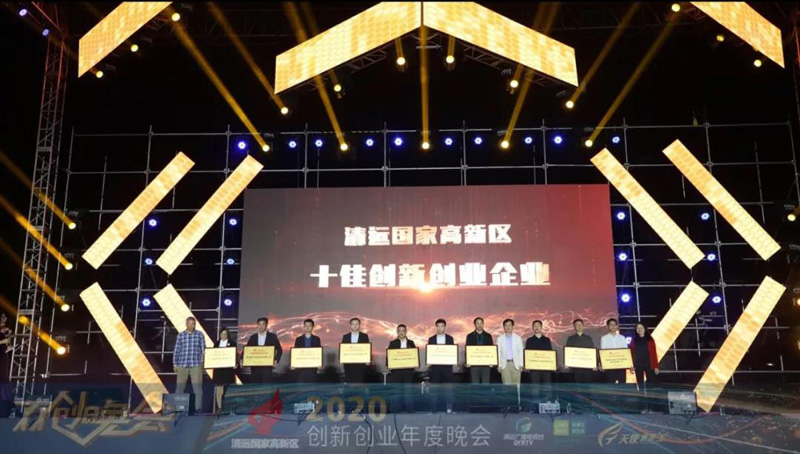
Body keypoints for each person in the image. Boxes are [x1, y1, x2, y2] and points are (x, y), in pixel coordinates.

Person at [173, 316, 205, 412]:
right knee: (180, 387)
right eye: (191, 324)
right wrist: (175, 363)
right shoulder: (181, 335)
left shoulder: (199, 334)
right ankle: (178, 408)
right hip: (182, 364)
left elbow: (203, 350)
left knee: (197, 387)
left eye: (194, 324)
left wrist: (202, 362)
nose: (193, 326)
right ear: (186, 324)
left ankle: (198, 408)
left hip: (196, 364)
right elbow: (177, 350)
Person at [427, 319, 454, 412]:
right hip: (435, 368)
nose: (440, 328)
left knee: (448, 389)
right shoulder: (431, 339)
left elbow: (452, 352)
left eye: (442, 326)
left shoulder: (450, 338)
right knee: (434, 389)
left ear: (445, 327)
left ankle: (449, 409)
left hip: (447, 368)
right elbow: (430, 352)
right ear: (436, 327)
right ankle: (433, 409)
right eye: (438, 326)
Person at [388, 324, 416, 412]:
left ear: (406, 332)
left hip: (408, 371)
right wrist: (389, 365)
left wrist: (415, 364)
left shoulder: (411, 343)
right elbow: (389, 356)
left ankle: (410, 410)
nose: (401, 332)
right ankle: (396, 410)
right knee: (396, 390)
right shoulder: (392, 343)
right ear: (397, 332)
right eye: (399, 330)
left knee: (408, 390)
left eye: (403, 330)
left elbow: (414, 356)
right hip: (396, 371)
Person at [246, 317, 283, 383]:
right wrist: (242, 359)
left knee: (267, 385)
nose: (261, 326)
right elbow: (247, 350)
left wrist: (276, 360)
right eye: (259, 324)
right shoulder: (253, 337)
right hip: (255, 367)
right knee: (255, 386)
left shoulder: (272, 337)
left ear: (266, 325)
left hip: (267, 367)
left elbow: (279, 350)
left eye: (263, 324)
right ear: (257, 325)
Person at [526, 320, 553, 400]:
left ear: (541, 327)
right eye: (535, 326)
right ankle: (535, 404)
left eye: (538, 326)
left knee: (547, 387)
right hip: (534, 368)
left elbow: (550, 354)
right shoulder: (529, 340)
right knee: (535, 388)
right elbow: (528, 354)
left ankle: (548, 403)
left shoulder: (547, 340)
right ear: (532, 328)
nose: (536, 327)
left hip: (546, 368)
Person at [630, 322, 659, 390]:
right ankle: (642, 395)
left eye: (641, 328)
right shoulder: (633, 340)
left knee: (652, 383)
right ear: (636, 330)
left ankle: (651, 395)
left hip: (649, 364)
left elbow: (654, 354)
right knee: (640, 384)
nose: (639, 329)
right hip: (637, 365)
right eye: (638, 328)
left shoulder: (650, 340)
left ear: (645, 329)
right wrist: (631, 365)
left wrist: (656, 366)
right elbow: (631, 354)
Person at [213, 328, 236, 413]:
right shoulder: (216, 344)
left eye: (225, 334)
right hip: (218, 370)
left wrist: (235, 363)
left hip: (228, 370)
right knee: (218, 388)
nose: (223, 336)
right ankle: (219, 407)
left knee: (228, 388)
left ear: (227, 335)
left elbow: (234, 355)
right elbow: (213, 356)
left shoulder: (232, 343)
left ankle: (228, 408)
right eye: (222, 334)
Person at [565, 319, 595, 384]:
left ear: (583, 326)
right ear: (574, 327)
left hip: (587, 367)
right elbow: (568, 352)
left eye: (580, 324)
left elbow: (592, 352)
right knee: (577, 386)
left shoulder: (588, 338)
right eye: (577, 325)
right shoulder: (571, 338)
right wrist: (567, 363)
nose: (579, 326)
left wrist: (594, 364)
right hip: (575, 367)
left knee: (587, 386)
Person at [341, 317, 370, 383]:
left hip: (360, 364)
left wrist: (368, 359)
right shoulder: (346, 336)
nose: (355, 326)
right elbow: (343, 349)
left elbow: (367, 349)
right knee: (349, 382)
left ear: (359, 325)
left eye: (357, 324)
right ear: (350, 325)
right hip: (348, 364)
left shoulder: (364, 336)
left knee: (359, 381)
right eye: (353, 324)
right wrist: (341, 359)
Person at [465, 317, 493, 384]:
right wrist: (467, 362)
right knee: (475, 385)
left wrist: (492, 362)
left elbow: (491, 350)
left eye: (481, 323)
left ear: (483, 324)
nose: (479, 325)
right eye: (477, 323)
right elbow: (467, 350)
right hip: (474, 365)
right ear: (474, 324)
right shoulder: (469, 336)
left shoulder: (488, 336)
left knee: (486, 384)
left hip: (486, 365)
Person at [600, 318, 628, 384]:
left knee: (622, 384)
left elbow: (626, 352)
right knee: (610, 384)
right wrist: (603, 364)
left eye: (614, 325)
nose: (613, 326)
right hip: (610, 366)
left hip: (621, 365)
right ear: (608, 326)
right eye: (611, 325)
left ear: (617, 326)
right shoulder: (604, 338)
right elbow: (603, 352)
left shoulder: (622, 338)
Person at [293, 319, 322, 383]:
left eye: (309, 325)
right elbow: (296, 353)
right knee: (301, 385)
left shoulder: (317, 339)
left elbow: (318, 352)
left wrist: (319, 363)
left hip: (312, 367)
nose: (307, 327)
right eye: (306, 325)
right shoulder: (298, 339)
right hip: (301, 367)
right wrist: (294, 364)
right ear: (303, 327)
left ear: (312, 327)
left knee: (312, 385)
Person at [497, 319, 524, 385]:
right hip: (504, 365)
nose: (508, 327)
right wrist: (499, 365)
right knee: (506, 386)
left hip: (516, 364)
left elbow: (521, 352)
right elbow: (498, 352)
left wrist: (521, 364)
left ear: (512, 326)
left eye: (510, 325)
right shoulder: (500, 339)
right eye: (506, 325)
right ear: (503, 327)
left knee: (516, 385)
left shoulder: (518, 338)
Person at [0, 313, 13, 417]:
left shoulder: (5, 330)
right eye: (3, 317)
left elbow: (7, 344)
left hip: (3, 358)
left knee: (4, 379)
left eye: (5, 317)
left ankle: (6, 407)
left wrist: (9, 344)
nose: (5, 319)